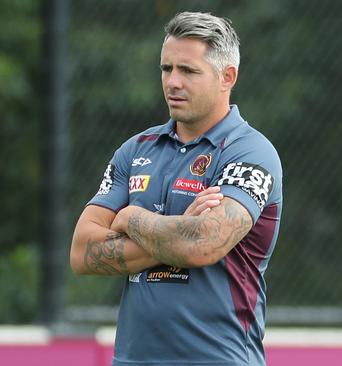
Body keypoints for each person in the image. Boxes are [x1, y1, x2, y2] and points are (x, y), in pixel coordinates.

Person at [70, 12, 282, 366]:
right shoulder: (135, 149)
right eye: (166, 69)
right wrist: (179, 233)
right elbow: (81, 252)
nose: (173, 82)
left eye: (188, 71)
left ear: (227, 77)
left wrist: (132, 216)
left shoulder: (251, 152)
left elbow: (202, 244)